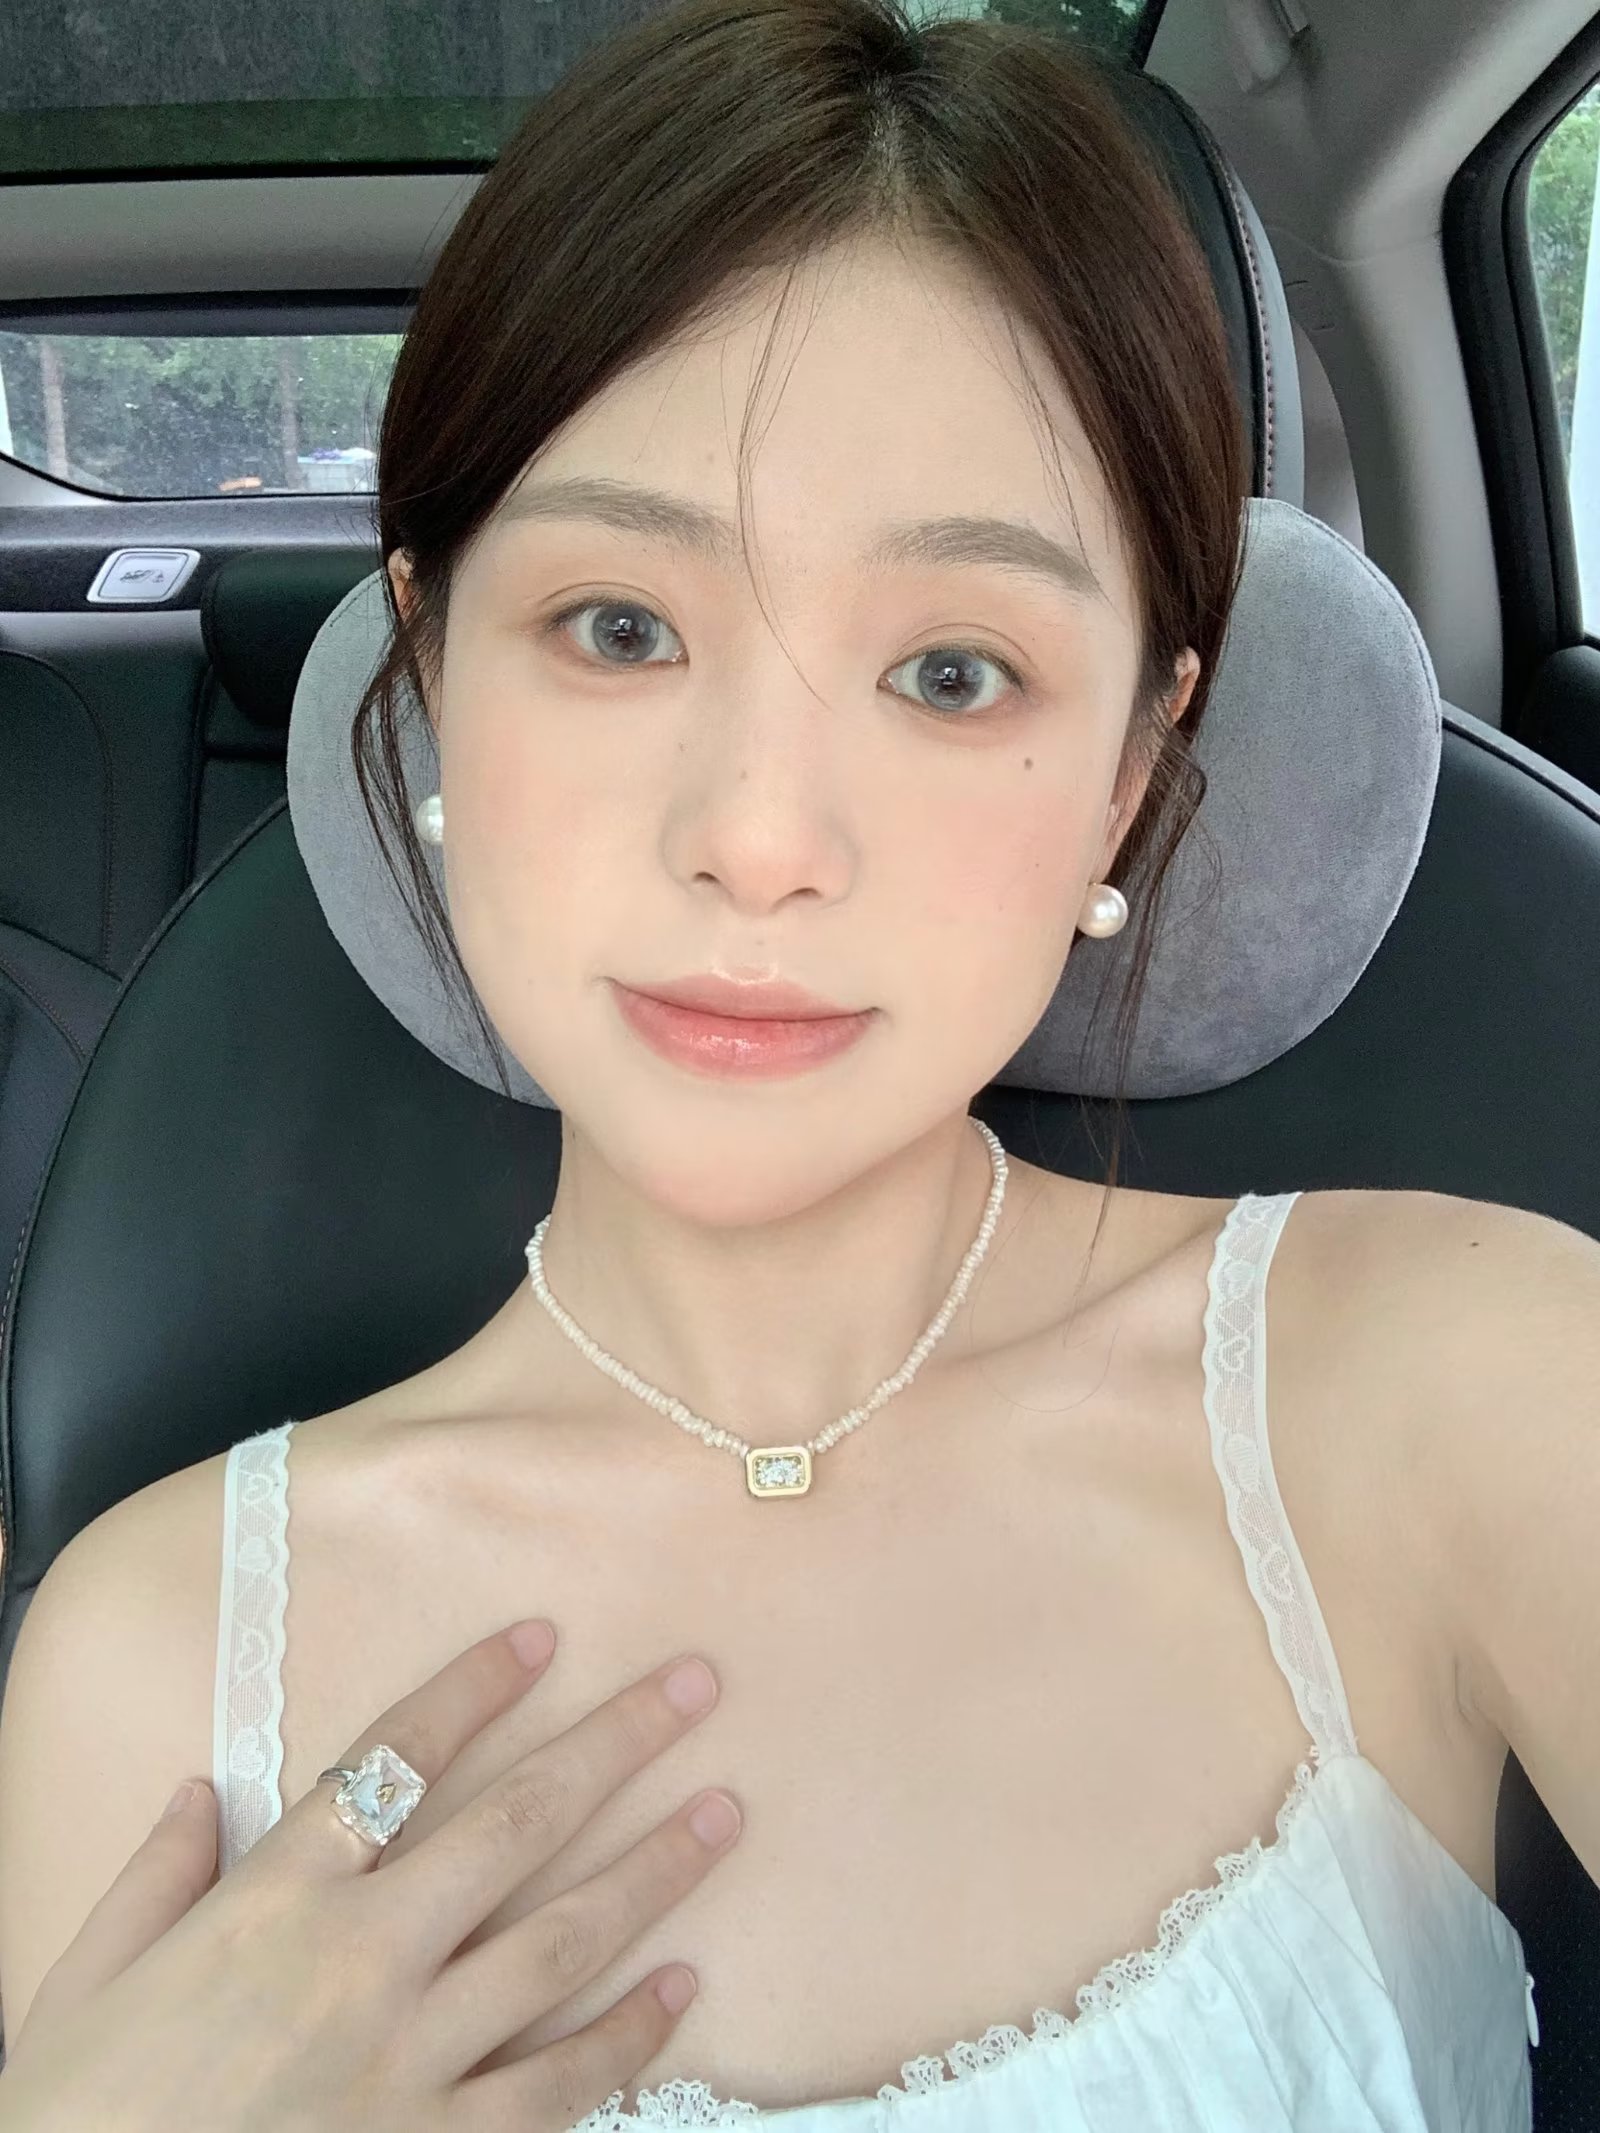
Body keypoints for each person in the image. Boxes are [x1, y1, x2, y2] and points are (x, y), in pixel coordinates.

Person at [0, 0, 1595, 2125]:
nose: (757, 836)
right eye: (620, 628)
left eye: (952, 670)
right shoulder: (146, 1656)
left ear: (1129, 776)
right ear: (434, 672)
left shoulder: (1460, 1377)